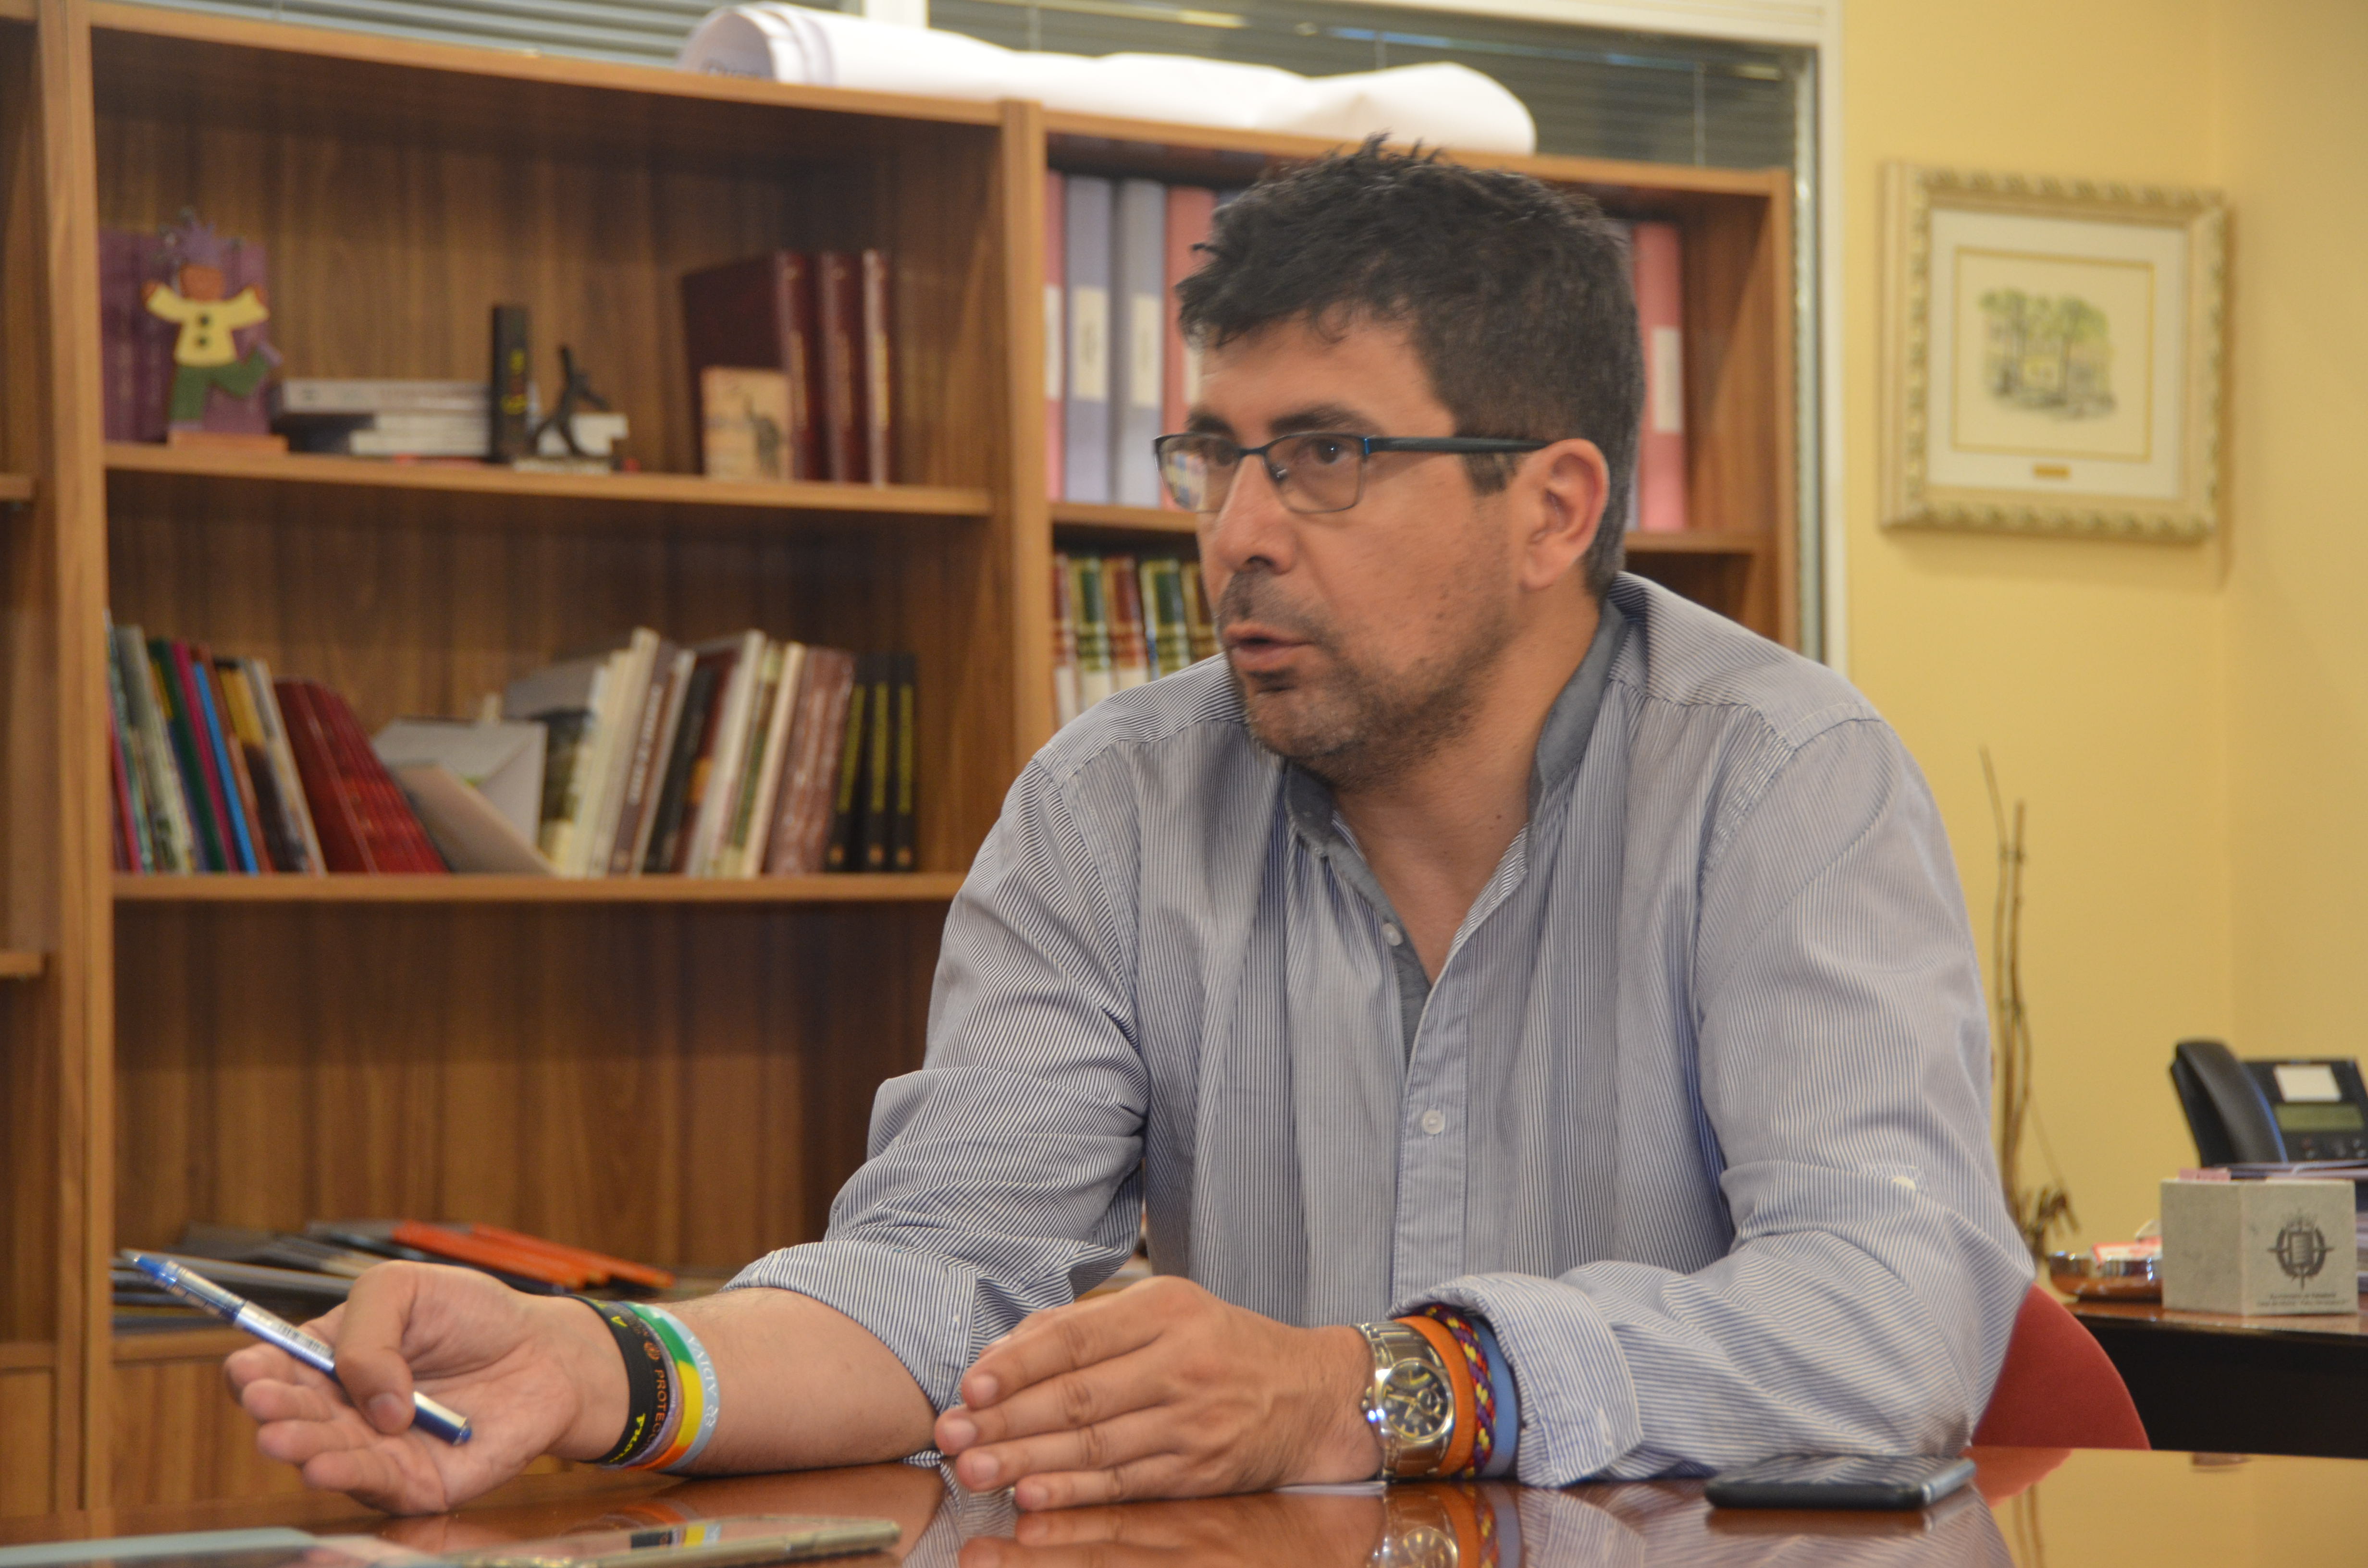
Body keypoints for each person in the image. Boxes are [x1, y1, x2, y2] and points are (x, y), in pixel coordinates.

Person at [227, 143, 2031, 1515]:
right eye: (1214, 457)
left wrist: (1372, 1388)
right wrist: (599, 1366)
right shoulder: (1115, 802)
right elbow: (944, 1280)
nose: (1236, 531)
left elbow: (1891, 1319)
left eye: (1324, 455)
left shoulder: (1784, 782)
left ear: (1553, 506)